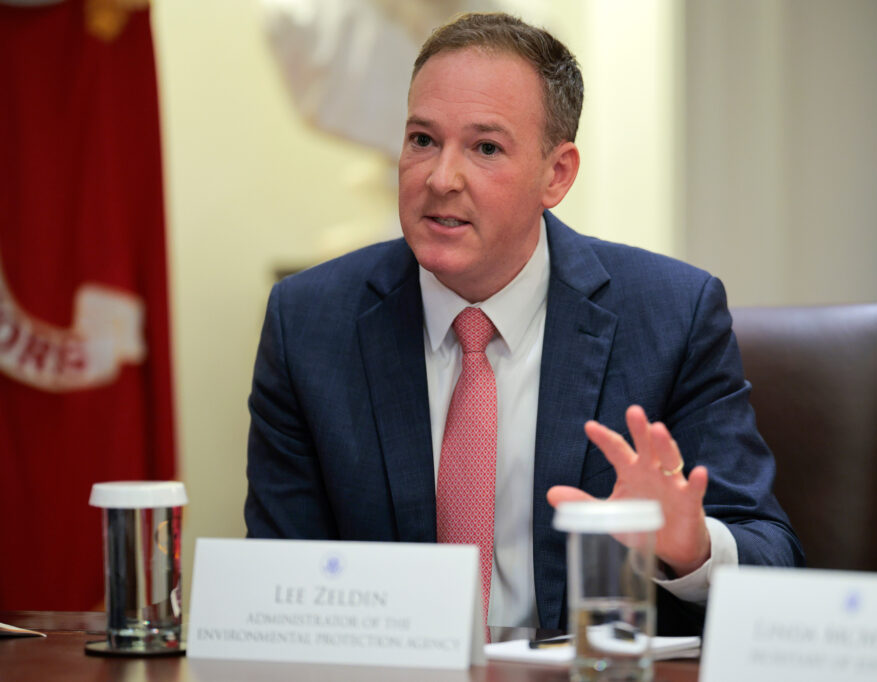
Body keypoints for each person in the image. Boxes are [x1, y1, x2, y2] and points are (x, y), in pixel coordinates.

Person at [245, 12, 803, 635]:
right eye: (422, 140)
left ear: (556, 174)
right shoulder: (309, 323)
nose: (440, 178)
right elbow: (280, 579)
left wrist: (690, 547)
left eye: (485, 147)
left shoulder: (671, 315)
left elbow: (773, 559)